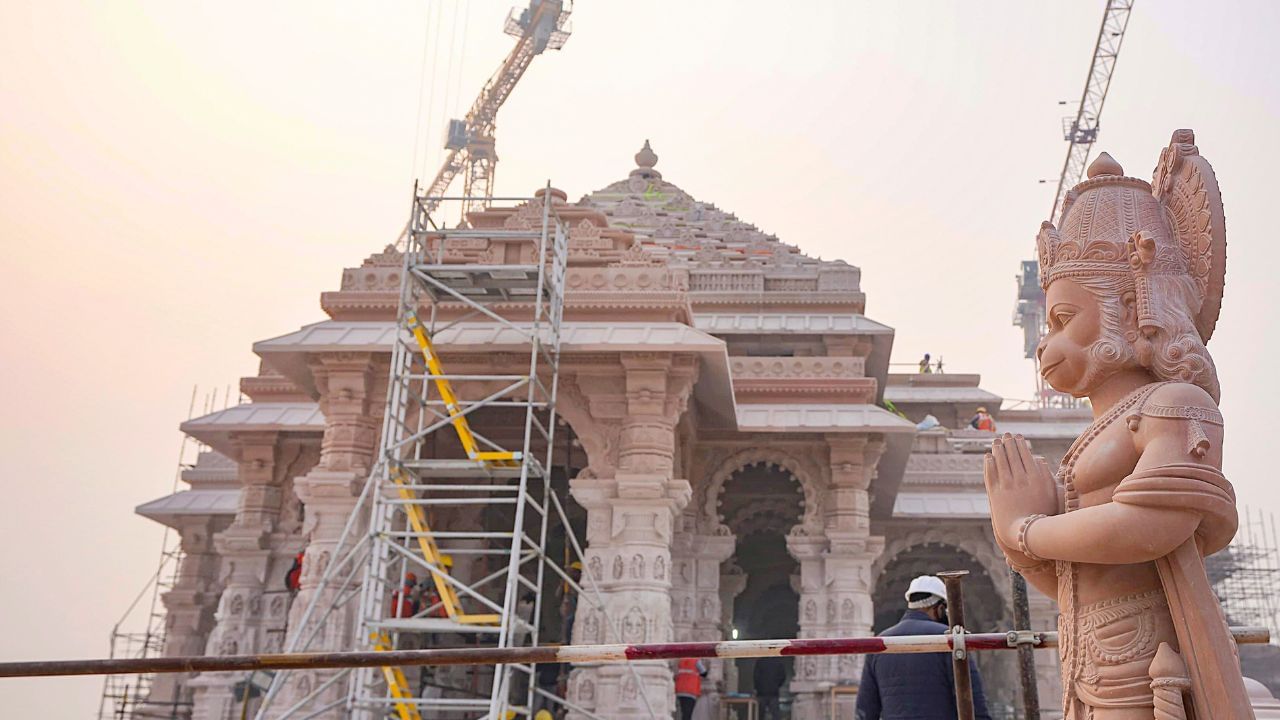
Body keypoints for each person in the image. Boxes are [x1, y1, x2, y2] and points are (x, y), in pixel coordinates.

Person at [855, 575, 991, 720]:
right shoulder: (948, 641)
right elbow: (973, 701)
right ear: (940, 609)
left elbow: (865, 709)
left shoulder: (880, 643)